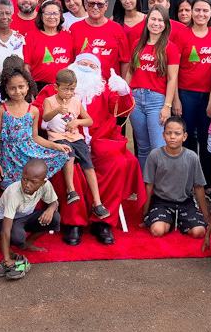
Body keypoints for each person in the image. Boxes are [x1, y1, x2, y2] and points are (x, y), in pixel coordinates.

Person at [33, 54, 143, 246]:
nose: (86, 67)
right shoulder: (55, 89)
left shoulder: (103, 89)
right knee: (68, 163)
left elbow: (124, 110)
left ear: (98, 71)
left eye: (92, 65)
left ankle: (103, 221)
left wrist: (124, 92)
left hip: (101, 142)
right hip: (64, 142)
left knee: (116, 164)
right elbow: (37, 112)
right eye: (82, 63)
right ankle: (73, 222)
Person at [41, 69, 110, 224]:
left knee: (88, 164)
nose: (69, 93)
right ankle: (70, 190)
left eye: (72, 89)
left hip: (75, 136)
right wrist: (57, 110)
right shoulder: (49, 101)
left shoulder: (76, 101)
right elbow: (45, 117)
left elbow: (89, 121)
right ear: (56, 87)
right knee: (69, 154)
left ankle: (97, 202)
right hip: (57, 137)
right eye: (65, 89)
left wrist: (77, 122)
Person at [174, 0, 211, 185]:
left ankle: (205, 182)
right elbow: (174, 69)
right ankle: (187, 181)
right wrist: (176, 99)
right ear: (192, 12)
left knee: (206, 139)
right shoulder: (181, 34)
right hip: (186, 94)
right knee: (186, 138)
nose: (201, 14)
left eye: (205, 10)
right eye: (197, 10)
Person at [0, 65, 68, 188]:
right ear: (6, 90)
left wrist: (56, 145)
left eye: (21, 87)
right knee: (10, 190)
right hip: (7, 158)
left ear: (28, 86)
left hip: (28, 155)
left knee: (27, 187)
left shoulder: (33, 110)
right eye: (12, 88)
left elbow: (35, 137)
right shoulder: (2, 109)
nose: (17, 91)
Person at [127, 6, 180, 168]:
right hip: (136, 99)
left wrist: (167, 106)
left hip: (156, 101)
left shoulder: (170, 47)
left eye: (160, 20)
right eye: (153, 19)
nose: (156, 23)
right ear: (147, 21)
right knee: (143, 148)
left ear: (165, 24)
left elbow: (172, 79)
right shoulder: (138, 44)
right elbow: (131, 71)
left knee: (157, 147)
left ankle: (159, 189)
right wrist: (124, 93)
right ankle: (144, 188)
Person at [0, 159, 59, 279]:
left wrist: (50, 209)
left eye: (33, 182)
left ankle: (28, 243)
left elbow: (54, 203)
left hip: (24, 216)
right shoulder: (13, 192)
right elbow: (6, 230)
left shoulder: (46, 185)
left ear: (42, 183)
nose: (27, 184)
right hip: (2, 219)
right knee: (16, 236)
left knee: (55, 218)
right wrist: (7, 259)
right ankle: (3, 241)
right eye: (24, 179)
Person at [142, 117, 210, 239]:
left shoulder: (192, 157)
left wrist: (206, 216)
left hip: (185, 202)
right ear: (163, 135)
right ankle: (168, 220)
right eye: (168, 133)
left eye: (177, 133)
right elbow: (149, 185)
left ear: (184, 136)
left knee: (199, 232)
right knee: (157, 230)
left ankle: (178, 221)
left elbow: (199, 186)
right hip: (161, 202)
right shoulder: (155, 155)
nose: (172, 137)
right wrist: (145, 213)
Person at [70, 0, 130, 78]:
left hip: (109, 87)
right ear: (85, 4)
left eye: (100, 4)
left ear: (106, 6)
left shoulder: (117, 29)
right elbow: (70, 60)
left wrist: (123, 84)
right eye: (91, 4)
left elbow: (125, 61)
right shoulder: (75, 28)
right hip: (81, 85)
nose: (95, 7)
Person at [23, 0, 73, 91]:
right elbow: (26, 66)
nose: (52, 17)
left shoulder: (68, 36)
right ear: (41, 16)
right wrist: (31, 89)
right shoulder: (31, 36)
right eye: (48, 13)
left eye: (55, 13)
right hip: (38, 87)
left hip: (64, 87)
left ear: (60, 15)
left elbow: (72, 63)